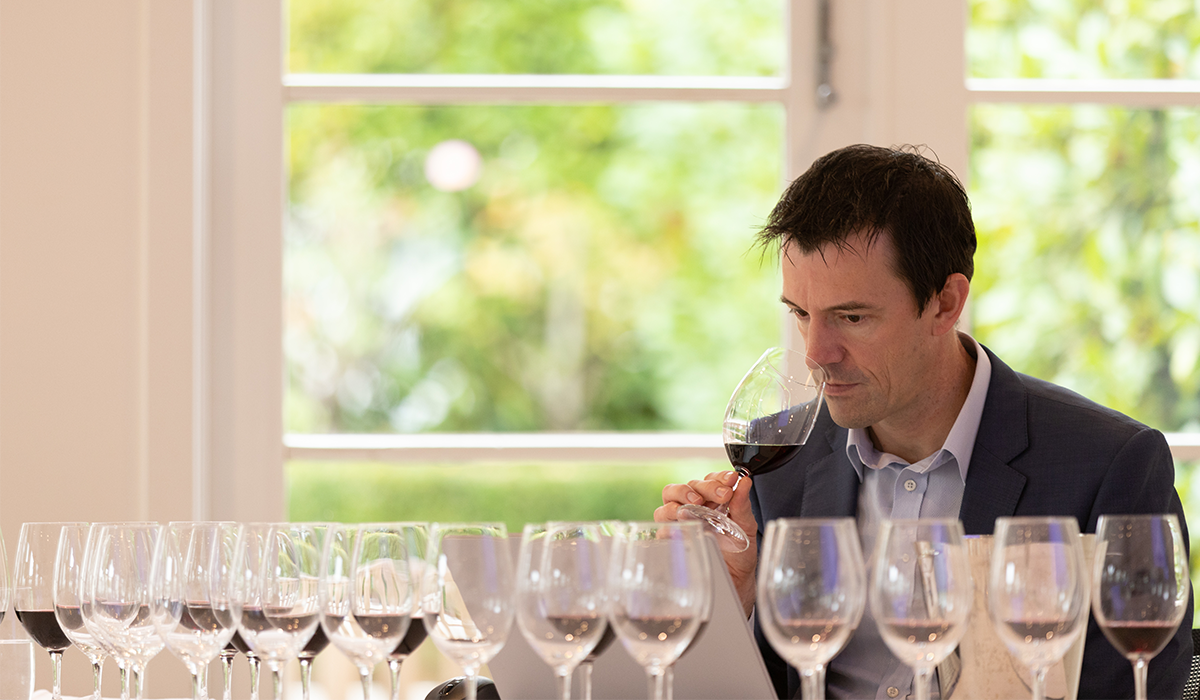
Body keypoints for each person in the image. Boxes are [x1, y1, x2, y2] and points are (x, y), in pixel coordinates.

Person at [656, 144, 1193, 700]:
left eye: (852, 317)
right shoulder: (779, 463)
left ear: (945, 303)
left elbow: (1143, 685)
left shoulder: (1108, 467)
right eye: (800, 314)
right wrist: (732, 600)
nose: (816, 352)